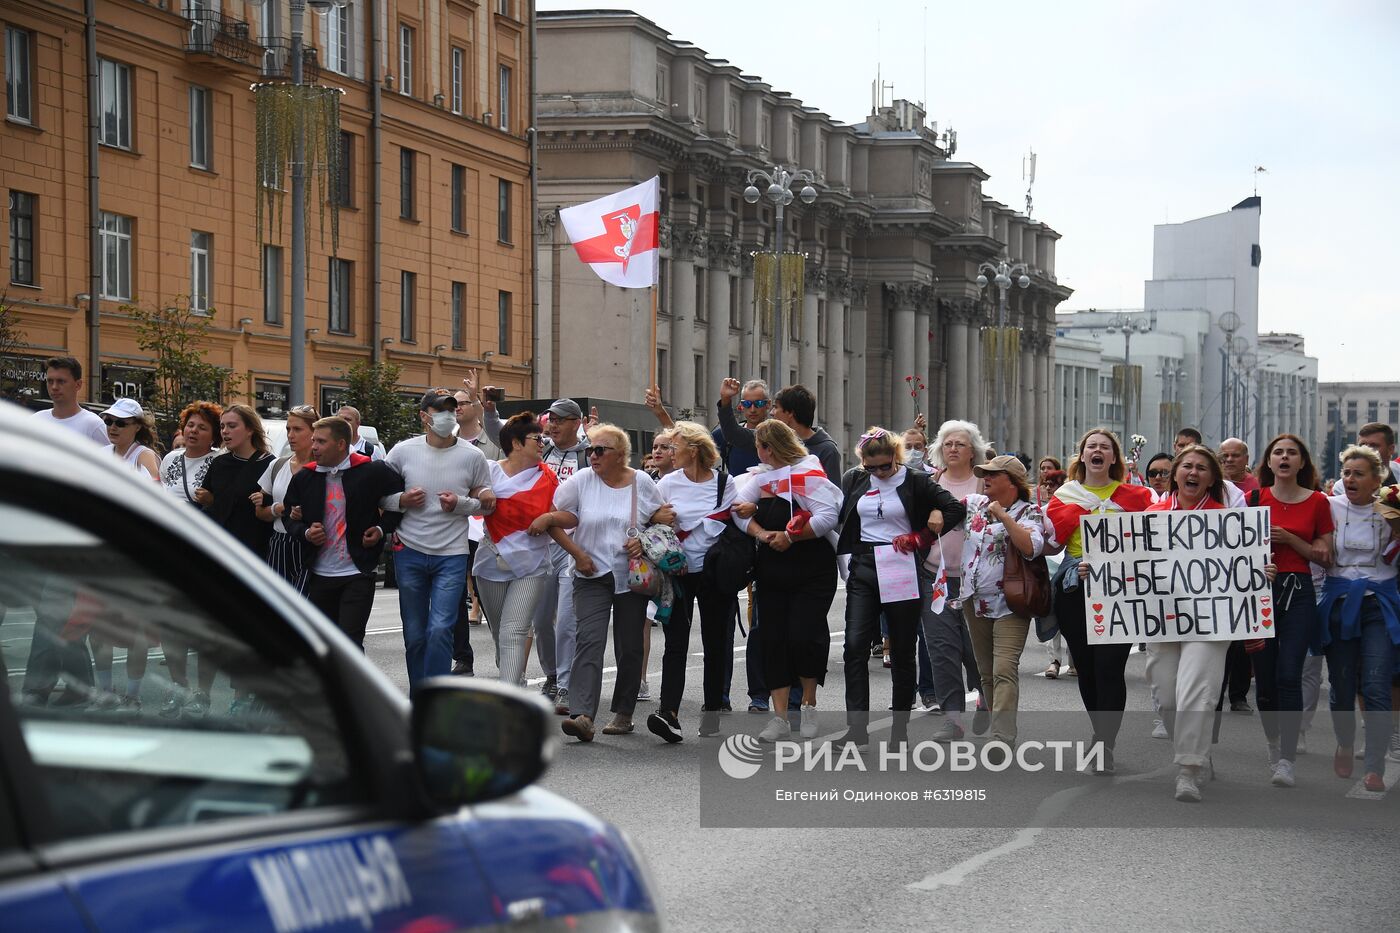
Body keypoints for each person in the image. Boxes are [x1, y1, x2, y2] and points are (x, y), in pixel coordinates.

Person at [1142, 445, 1272, 801]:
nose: (1193, 472)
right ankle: (1197, 750)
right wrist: (1101, 569)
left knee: (1197, 691)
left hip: (1211, 619)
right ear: (1175, 474)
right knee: (1166, 694)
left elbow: (1244, 567)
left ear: (1212, 478)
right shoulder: (1150, 515)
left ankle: (1189, 768)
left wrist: (1260, 571)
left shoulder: (1227, 521)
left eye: (1202, 467)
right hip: (1161, 618)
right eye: (1187, 466)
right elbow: (1127, 565)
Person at [531, 425, 671, 742]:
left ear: (620, 455)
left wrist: (645, 540)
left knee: (630, 645)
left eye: (599, 450)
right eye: (590, 450)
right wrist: (578, 554)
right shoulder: (581, 482)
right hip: (589, 573)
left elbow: (662, 516)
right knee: (588, 641)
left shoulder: (642, 483)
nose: (591, 455)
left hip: (631, 575)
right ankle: (583, 715)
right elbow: (558, 517)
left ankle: (623, 713)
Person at [836, 427, 966, 750]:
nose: (879, 472)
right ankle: (856, 731)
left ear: (896, 456)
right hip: (865, 565)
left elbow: (955, 509)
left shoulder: (915, 480)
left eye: (885, 466)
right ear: (862, 463)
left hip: (900, 565)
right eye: (872, 467)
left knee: (903, 651)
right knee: (854, 646)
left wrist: (921, 536)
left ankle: (899, 731)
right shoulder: (854, 479)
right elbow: (842, 516)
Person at [1045, 428, 1156, 774]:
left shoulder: (1137, 497)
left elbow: (1157, 537)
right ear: (1082, 456)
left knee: (1110, 669)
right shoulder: (1064, 496)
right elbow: (1052, 541)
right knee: (1088, 670)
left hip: (1120, 593)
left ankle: (1105, 744)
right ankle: (1099, 732)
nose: (1097, 450)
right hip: (1077, 590)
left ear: (1113, 458)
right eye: (1091, 446)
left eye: (1104, 447)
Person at [732, 419, 843, 742]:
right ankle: (780, 717)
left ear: (768, 447)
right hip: (773, 568)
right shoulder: (761, 478)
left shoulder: (808, 473)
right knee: (773, 639)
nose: (758, 452)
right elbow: (738, 513)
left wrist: (791, 538)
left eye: (759, 446)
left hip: (812, 569)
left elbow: (827, 517)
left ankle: (808, 702)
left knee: (804, 636)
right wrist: (763, 533)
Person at [382, 390, 495, 689]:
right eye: (440, 410)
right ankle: (421, 697)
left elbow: (486, 501)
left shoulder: (473, 456)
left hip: (452, 554)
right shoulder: (402, 452)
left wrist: (460, 503)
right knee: (416, 633)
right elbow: (380, 497)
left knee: (441, 628)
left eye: (452, 410)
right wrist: (402, 499)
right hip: (409, 550)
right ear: (424, 416)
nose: (448, 416)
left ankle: (437, 697)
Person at [1250, 432, 1334, 788]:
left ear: (1302, 462)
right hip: (1260, 593)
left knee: (1289, 674)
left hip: (1299, 592)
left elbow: (1326, 555)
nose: (1284, 458)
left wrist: (1290, 540)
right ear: (1269, 462)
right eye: (1277, 453)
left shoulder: (1318, 502)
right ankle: (1273, 744)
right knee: (1265, 681)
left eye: (1292, 453)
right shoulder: (1254, 498)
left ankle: (1286, 758)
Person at [1315, 445, 1397, 792]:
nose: (1350, 479)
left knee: (1376, 684)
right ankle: (1345, 741)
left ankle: (1375, 764)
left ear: (1377, 480)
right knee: (1342, 685)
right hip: (1339, 603)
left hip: (1380, 604)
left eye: (1358, 473)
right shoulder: (1328, 507)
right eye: (1346, 473)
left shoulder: (1392, 511)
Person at [284, 417, 405, 648]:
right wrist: (306, 532)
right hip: (319, 574)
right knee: (323, 644)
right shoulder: (305, 476)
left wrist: (380, 529)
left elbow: (399, 503)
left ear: (341, 444)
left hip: (358, 571)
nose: (314, 447)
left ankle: (352, 684)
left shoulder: (371, 470)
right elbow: (289, 517)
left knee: (350, 642)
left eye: (321, 442)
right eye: (313, 441)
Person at [958, 455, 1050, 755]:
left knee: (1004, 668)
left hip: (1012, 602)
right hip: (975, 600)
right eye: (983, 473)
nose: (985, 478)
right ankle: (998, 727)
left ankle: (1001, 737)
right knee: (986, 672)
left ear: (1010, 481)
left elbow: (1032, 547)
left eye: (992, 474)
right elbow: (940, 503)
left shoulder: (1031, 512)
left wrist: (1005, 517)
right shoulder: (973, 504)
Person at [651, 422, 738, 740]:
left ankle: (712, 712)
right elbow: (652, 520)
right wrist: (658, 518)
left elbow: (736, 521)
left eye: (674, 447)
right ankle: (668, 713)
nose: (669, 453)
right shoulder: (667, 483)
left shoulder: (724, 484)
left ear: (695, 449)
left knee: (715, 644)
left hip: (716, 573)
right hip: (677, 572)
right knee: (675, 643)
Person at [478, 413, 571, 687]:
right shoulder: (488, 471)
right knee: (499, 633)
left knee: (514, 631)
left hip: (532, 566)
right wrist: (478, 497)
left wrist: (549, 518)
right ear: (516, 443)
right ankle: (513, 676)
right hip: (491, 562)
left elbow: (569, 516)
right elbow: (467, 503)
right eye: (536, 438)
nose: (542, 443)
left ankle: (509, 697)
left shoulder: (549, 479)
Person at [920, 420, 988, 730]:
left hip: (977, 580)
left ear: (973, 451)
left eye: (960, 444)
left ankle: (986, 696)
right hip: (936, 578)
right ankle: (952, 719)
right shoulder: (929, 482)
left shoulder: (985, 485)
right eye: (947, 444)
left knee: (974, 647)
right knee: (941, 647)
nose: (953, 448)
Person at [453, 373, 503, 673]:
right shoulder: (447, 442)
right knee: (455, 590)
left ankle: (505, 648)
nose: (456, 408)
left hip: (488, 527)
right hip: (457, 527)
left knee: (488, 592)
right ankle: (463, 657)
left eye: (462, 403)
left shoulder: (492, 444)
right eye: (452, 404)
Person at [199, 404, 275, 559]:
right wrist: (208, 500)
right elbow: (210, 504)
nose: (225, 431)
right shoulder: (219, 463)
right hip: (219, 548)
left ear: (250, 430)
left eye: (232, 426)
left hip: (253, 552)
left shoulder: (269, 463)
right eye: (222, 426)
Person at [255, 405, 318, 593]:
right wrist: (279, 509)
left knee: (304, 606)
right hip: (280, 543)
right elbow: (260, 512)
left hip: (312, 544)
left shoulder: (325, 468)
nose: (291, 435)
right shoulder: (277, 465)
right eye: (288, 429)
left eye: (298, 429)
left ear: (314, 432)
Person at [31, 356, 108, 445]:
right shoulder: (35, 421)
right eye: (50, 381)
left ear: (78, 385)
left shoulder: (93, 426)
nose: (54, 387)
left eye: (61, 381)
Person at [160, 401, 222, 505]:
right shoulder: (170, 458)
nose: (194, 430)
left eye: (202, 428)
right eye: (190, 425)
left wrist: (212, 501)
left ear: (214, 436)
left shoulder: (219, 460)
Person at [711, 377, 774, 475]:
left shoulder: (777, 435)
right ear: (741, 406)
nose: (752, 409)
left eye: (759, 403)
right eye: (747, 404)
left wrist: (725, 400)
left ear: (768, 404)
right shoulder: (722, 435)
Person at [100, 398, 162, 480]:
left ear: (137, 427)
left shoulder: (144, 456)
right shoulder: (101, 452)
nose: (112, 427)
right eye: (108, 421)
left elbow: (154, 490)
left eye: (120, 423)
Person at [1331, 423, 1400, 492]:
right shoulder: (1342, 488)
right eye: (1362, 445)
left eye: (1374, 446)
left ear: (1390, 449)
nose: (1367, 450)